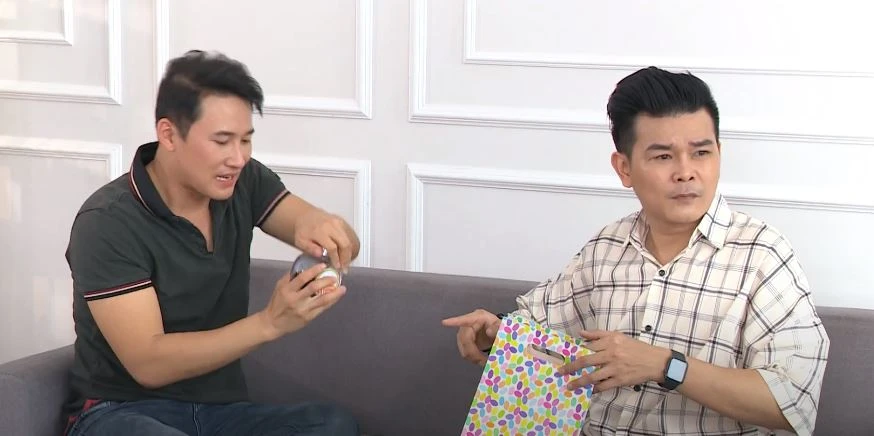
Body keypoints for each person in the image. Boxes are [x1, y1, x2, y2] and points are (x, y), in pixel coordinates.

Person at [443, 66, 829, 435]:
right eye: (663, 156)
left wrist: (666, 366)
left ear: (719, 154)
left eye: (701, 153)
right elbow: (537, 326)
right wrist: (496, 332)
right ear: (624, 168)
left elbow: (792, 402)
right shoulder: (606, 247)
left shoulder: (763, 255)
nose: (685, 172)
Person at [62, 50, 361, 436]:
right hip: (118, 410)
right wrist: (269, 323)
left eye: (246, 140)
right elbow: (148, 363)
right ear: (169, 134)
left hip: (220, 412)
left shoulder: (244, 182)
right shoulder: (108, 221)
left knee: (333, 426)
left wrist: (326, 229)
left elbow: (332, 235)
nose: (238, 158)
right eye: (222, 141)